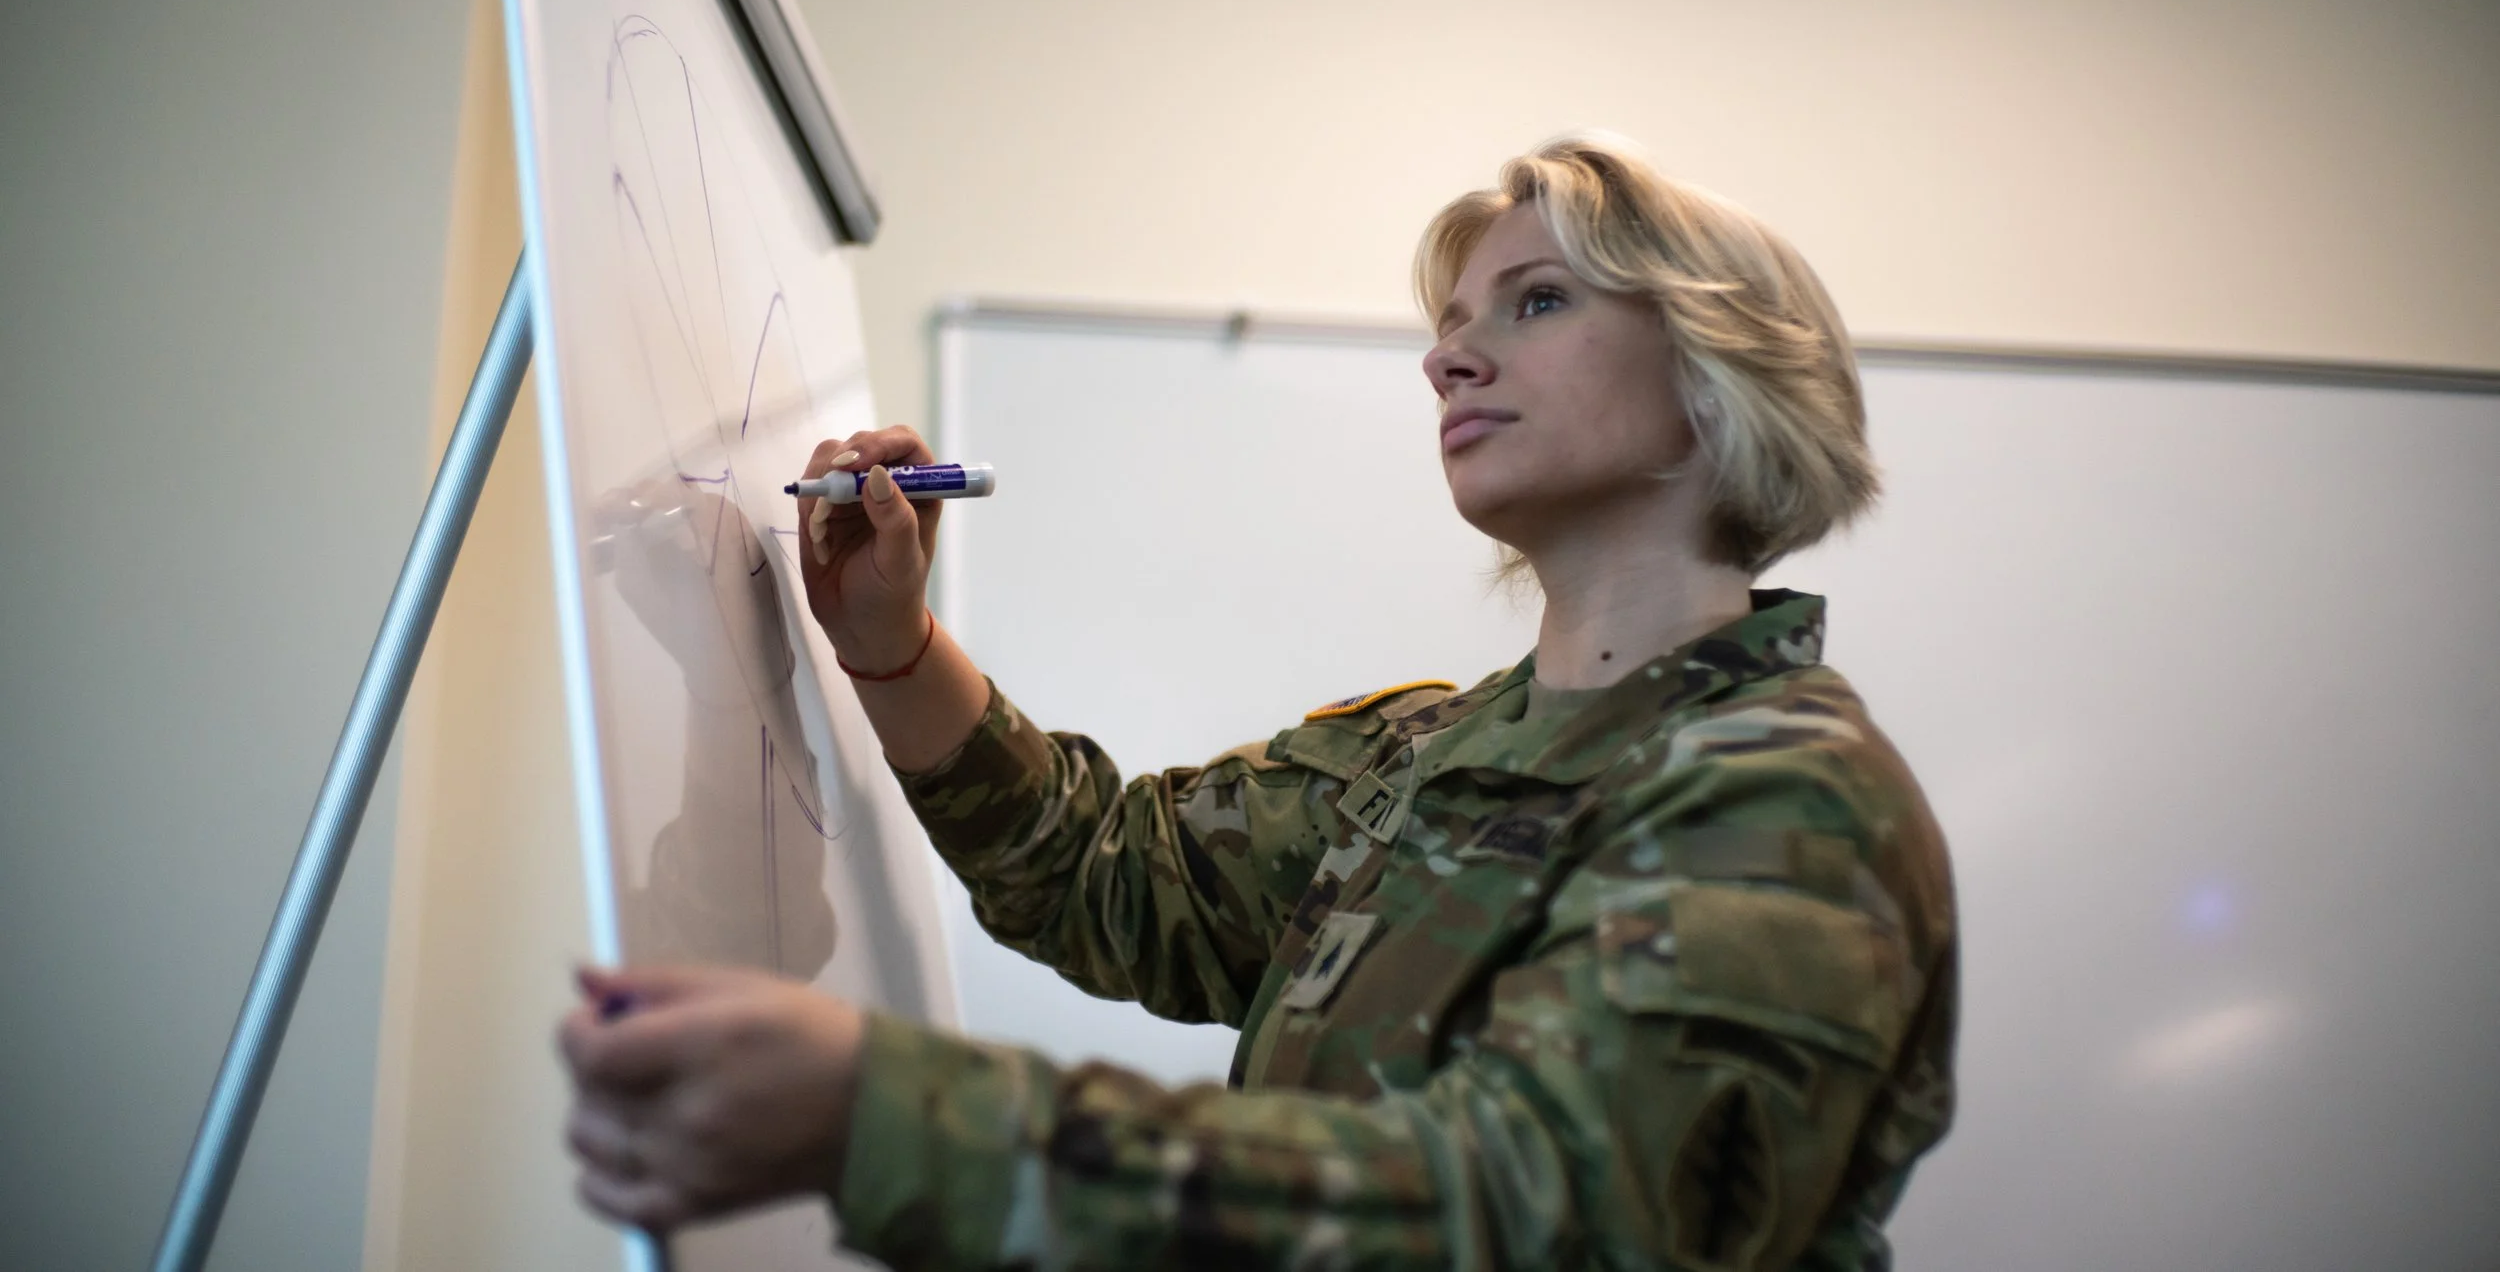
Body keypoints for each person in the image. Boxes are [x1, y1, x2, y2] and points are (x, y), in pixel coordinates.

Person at [558, 133, 1958, 1271]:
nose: (1447, 357)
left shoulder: (1787, 801)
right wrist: (892, 642)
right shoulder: (1421, 751)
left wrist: (888, 1117)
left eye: (1537, 301)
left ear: (1719, 373)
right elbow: (1105, 874)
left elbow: (1531, 1217)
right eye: (1451, 322)